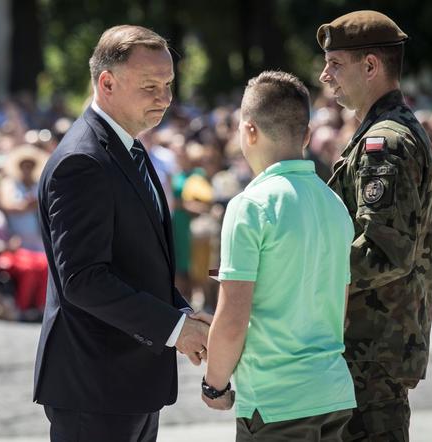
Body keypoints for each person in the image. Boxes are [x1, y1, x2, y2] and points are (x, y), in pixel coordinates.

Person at [33, 25, 210, 441]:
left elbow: (137, 262)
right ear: (106, 82)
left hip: (124, 384)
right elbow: (83, 280)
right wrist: (175, 330)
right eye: (150, 85)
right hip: (95, 386)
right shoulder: (83, 160)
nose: (164, 98)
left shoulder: (127, 145)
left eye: (168, 85)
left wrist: (181, 313)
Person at [201, 71, 356, 441]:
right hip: (332, 392)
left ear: (249, 131)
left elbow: (233, 317)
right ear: (305, 136)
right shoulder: (334, 203)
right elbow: (341, 308)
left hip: (276, 401)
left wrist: (215, 385)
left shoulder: (249, 205)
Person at [318, 10, 432, 441]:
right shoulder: (384, 132)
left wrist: (303, 273)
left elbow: (383, 253)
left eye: (335, 63)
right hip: (372, 345)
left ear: (371, 66)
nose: (325, 74)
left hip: (371, 351)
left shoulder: (383, 143)